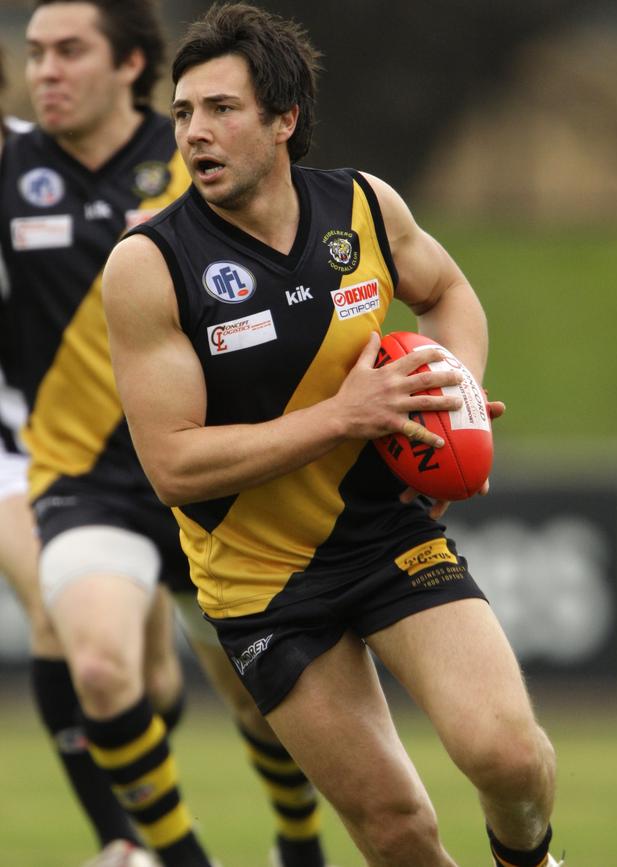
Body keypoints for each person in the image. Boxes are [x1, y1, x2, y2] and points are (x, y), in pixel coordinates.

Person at [102, 3, 564, 867]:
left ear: (285, 119)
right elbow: (172, 465)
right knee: (397, 827)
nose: (195, 133)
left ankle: (533, 857)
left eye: (221, 110)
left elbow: (448, 291)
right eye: (182, 114)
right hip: (261, 584)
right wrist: (343, 416)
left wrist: (449, 389)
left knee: (507, 756)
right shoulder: (150, 265)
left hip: (386, 533)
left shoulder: (362, 206)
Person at [0, 4, 331, 867]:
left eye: (70, 51)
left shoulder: (199, 159)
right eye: (34, 54)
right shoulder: (13, 161)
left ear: (132, 65)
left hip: (209, 472)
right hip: (85, 480)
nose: (46, 72)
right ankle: (172, 856)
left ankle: (298, 840)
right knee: (100, 666)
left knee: (257, 702)